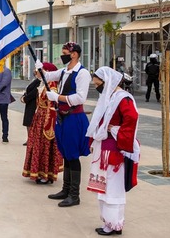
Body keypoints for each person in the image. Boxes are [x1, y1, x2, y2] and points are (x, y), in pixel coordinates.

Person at [35, 42, 91, 207]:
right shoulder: (65, 71)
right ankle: (66, 190)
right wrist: (40, 69)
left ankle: (75, 195)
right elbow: (46, 77)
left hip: (74, 118)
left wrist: (57, 97)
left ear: (74, 54)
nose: (63, 55)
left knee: (73, 156)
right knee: (66, 153)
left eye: (65, 52)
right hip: (62, 117)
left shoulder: (82, 73)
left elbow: (80, 98)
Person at [86, 66, 140, 236]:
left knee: (112, 186)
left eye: (98, 84)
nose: (97, 87)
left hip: (115, 149)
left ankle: (113, 223)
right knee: (105, 184)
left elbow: (131, 118)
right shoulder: (111, 97)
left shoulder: (123, 99)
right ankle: (110, 222)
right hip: (106, 145)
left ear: (107, 81)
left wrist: (114, 129)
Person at [22, 62, 62, 184]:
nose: (37, 72)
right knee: (36, 144)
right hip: (38, 117)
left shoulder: (52, 86)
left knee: (44, 146)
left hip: (46, 120)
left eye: (40, 70)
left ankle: (45, 173)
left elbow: (52, 107)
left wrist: (49, 125)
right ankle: (37, 171)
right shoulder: (42, 84)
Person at [21, 76, 41, 146]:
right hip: (29, 104)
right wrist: (23, 96)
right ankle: (29, 138)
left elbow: (34, 92)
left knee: (31, 122)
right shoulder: (35, 79)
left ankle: (32, 139)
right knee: (28, 122)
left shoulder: (41, 81)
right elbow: (28, 89)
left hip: (34, 104)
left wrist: (25, 99)